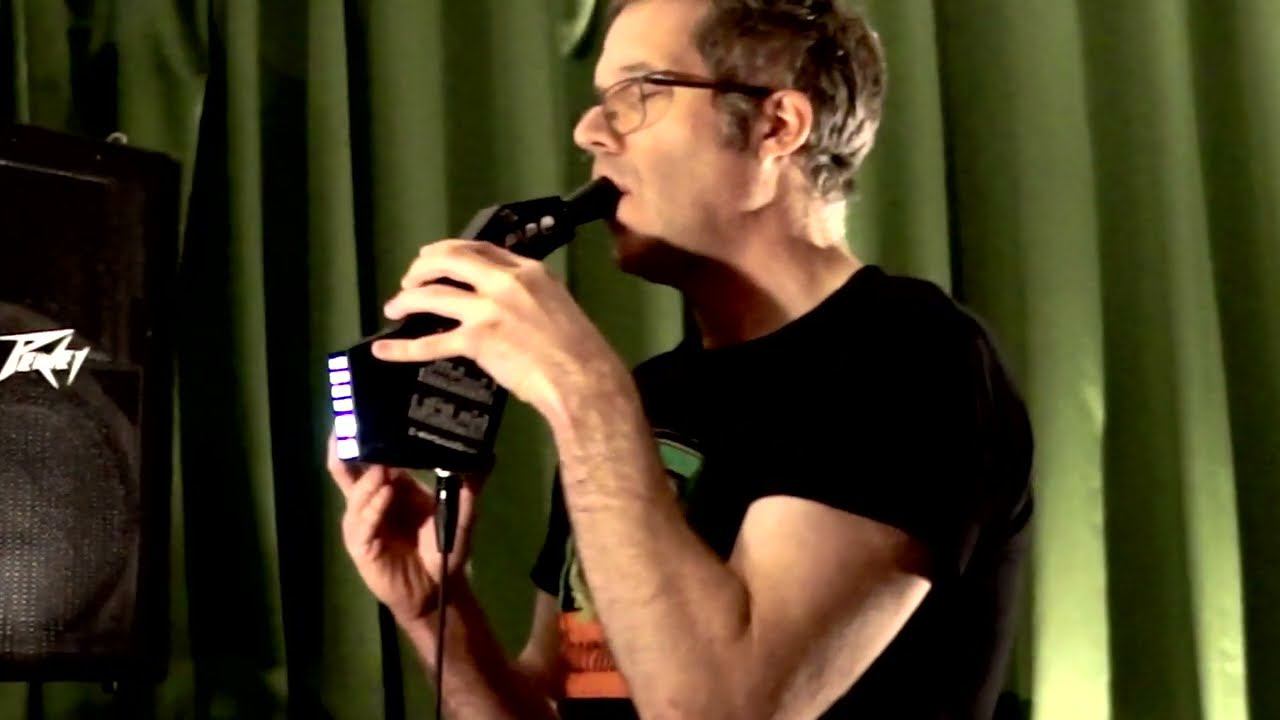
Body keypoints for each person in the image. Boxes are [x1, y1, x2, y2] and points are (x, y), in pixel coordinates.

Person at [326, 0, 1034, 717]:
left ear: (776, 127)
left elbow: (718, 709)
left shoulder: (912, 354)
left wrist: (583, 394)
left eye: (640, 92)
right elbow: (559, 703)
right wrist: (436, 611)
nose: (588, 130)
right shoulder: (646, 396)